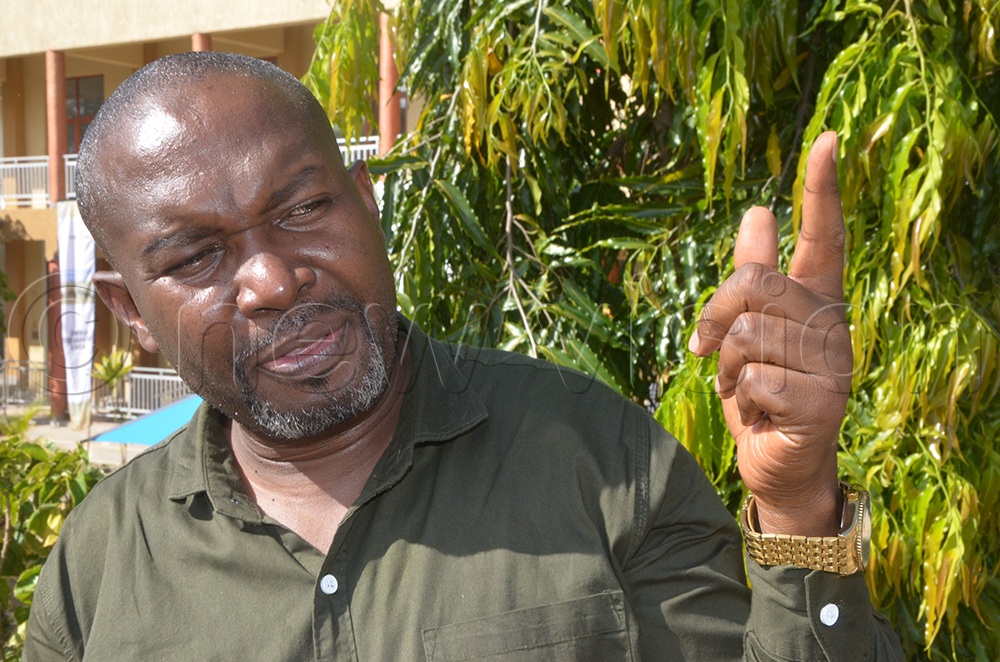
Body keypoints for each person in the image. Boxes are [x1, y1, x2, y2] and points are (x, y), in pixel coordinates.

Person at [24, 52, 903, 661]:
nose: (272, 280)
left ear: (369, 206)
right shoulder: (100, 566)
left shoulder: (603, 464)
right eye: (195, 257)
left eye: (300, 209)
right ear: (130, 311)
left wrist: (796, 518)